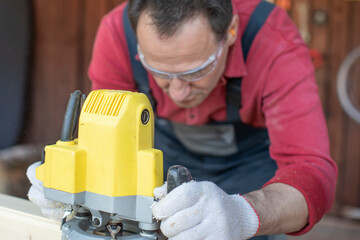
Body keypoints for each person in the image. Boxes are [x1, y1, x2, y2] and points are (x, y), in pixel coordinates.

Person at [27, 0, 338, 239]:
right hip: (161, 156)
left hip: (250, 166)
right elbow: (105, 139)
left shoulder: (273, 41)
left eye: (195, 71)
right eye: (159, 71)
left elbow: (311, 171)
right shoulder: (118, 34)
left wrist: (245, 213)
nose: (177, 91)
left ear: (229, 32)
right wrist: (73, 182)